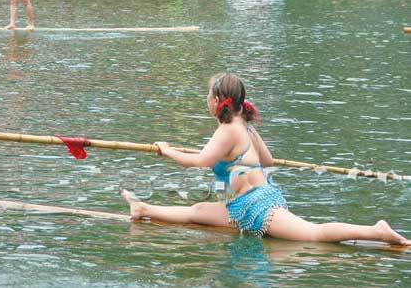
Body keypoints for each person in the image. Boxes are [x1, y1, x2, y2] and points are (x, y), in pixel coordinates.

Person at [121, 73, 411, 246]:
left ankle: (376, 231)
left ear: (217, 100)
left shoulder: (227, 129)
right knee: (197, 210)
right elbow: (269, 160)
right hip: (242, 204)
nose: (206, 100)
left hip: (256, 207)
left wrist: (166, 149)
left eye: (208, 96)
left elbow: (200, 161)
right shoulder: (244, 126)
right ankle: (142, 207)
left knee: (313, 234)